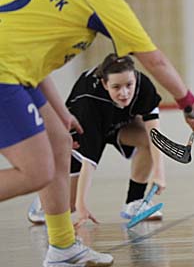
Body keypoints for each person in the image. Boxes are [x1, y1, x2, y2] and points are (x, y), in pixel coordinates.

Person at [0, 0, 194, 266]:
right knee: (36, 172)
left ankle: (63, 247)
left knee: (60, 142)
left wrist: (61, 113)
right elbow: (153, 59)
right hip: (5, 77)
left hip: (17, 73)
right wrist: (187, 102)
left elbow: (35, 58)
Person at [27, 53, 166, 227]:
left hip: (117, 124)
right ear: (105, 84)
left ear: (135, 78)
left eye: (129, 85)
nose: (124, 93)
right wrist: (81, 205)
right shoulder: (88, 102)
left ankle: (134, 202)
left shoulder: (143, 86)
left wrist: (159, 173)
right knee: (70, 206)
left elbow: (154, 134)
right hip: (83, 129)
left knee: (146, 139)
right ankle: (43, 202)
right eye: (116, 87)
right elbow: (89, 162)